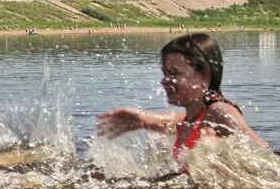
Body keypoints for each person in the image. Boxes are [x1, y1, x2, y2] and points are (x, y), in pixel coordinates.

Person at [96, 33, 268, 160]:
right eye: (164, 73)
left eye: (174, 73)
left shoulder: (221, 111)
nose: (164, 81)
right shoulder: (196, 116)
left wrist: (220, 152)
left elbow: (266, 155)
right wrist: (142, 121)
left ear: (203, 74)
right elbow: (176, 122)